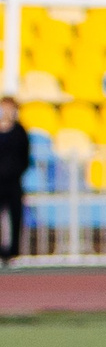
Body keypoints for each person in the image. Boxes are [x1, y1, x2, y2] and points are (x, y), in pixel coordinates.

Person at [0, 97, 28, 267]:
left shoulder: (19, 131)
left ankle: (12, 253)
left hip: (13, 181)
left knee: (15, 216)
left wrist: (15, 171)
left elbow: (24, 157)